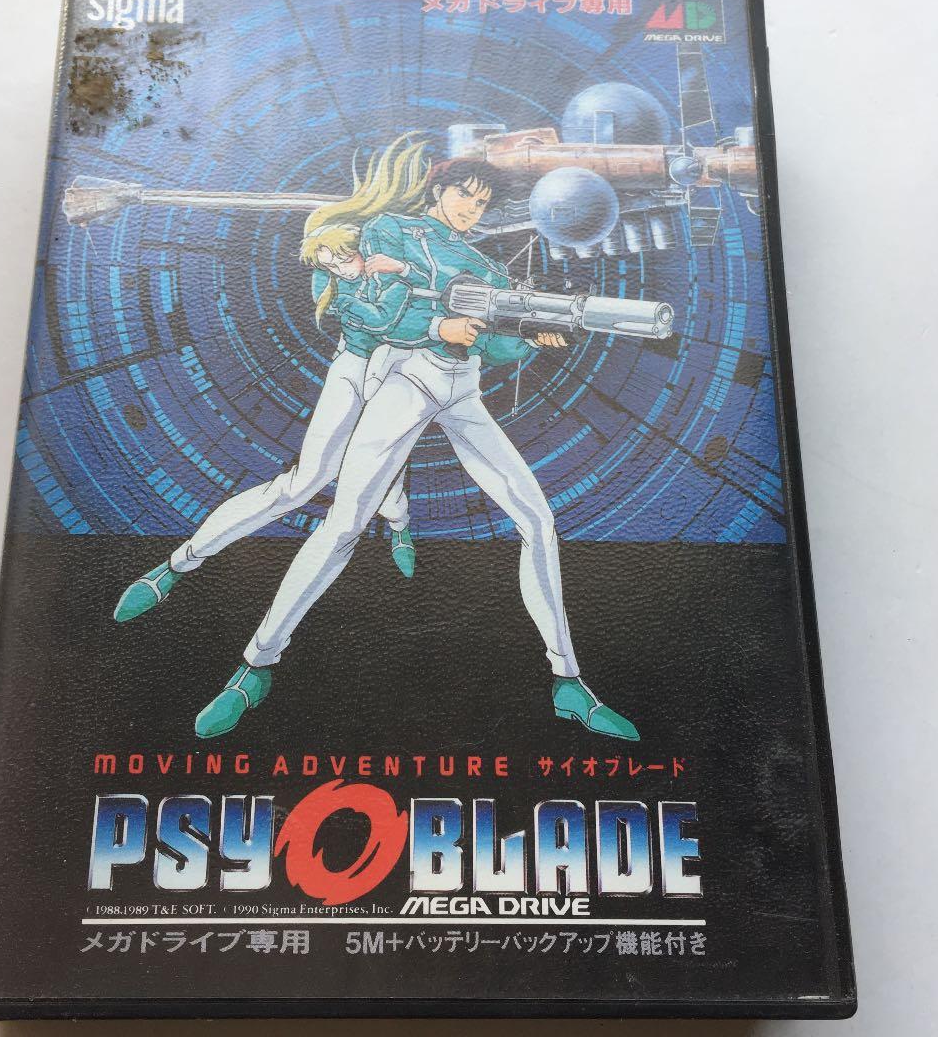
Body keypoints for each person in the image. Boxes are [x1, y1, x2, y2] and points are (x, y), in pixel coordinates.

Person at [193, 157, 640, 743]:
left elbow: (497, 346)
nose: (470, 209)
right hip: (408, 380)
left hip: (461, 390)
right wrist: (437, 325)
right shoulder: (393, 230)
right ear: (438, 190)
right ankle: (255, 667)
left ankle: (568, 683)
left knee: (538, 520)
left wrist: (533, 334)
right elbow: (381, 305)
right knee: (345, 523)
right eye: (464, 195)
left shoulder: (486, 265)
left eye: (481, 203)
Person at [112, 137, 428, 630]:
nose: (338, 268)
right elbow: (375, 318)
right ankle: (177, 565)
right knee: (303, 483)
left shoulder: (400, 257)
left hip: (403, 377)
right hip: (355, 369)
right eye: (329, 263)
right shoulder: (338, 287)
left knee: (385, 481)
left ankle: (400, 527)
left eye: (343, 258)